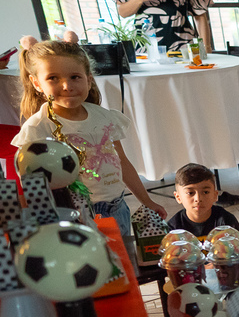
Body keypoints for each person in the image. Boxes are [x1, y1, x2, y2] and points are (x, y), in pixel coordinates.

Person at [13, 40, 166, 235]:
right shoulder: (37, 127)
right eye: (53, 78)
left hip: (117, 208)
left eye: (75, 77)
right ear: (37, 83)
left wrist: (147, 201)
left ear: (89, 79)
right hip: (73, 215)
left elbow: (122, 162)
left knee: (123, 261)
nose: (67, 86)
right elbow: (30, 183)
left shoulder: (103, 117)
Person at [166, 164, 239, 238]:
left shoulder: (225, 220)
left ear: (215, 195)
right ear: (178, 197)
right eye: (190, 193)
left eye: (205, 192)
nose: (198, 199)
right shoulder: (173, 228)